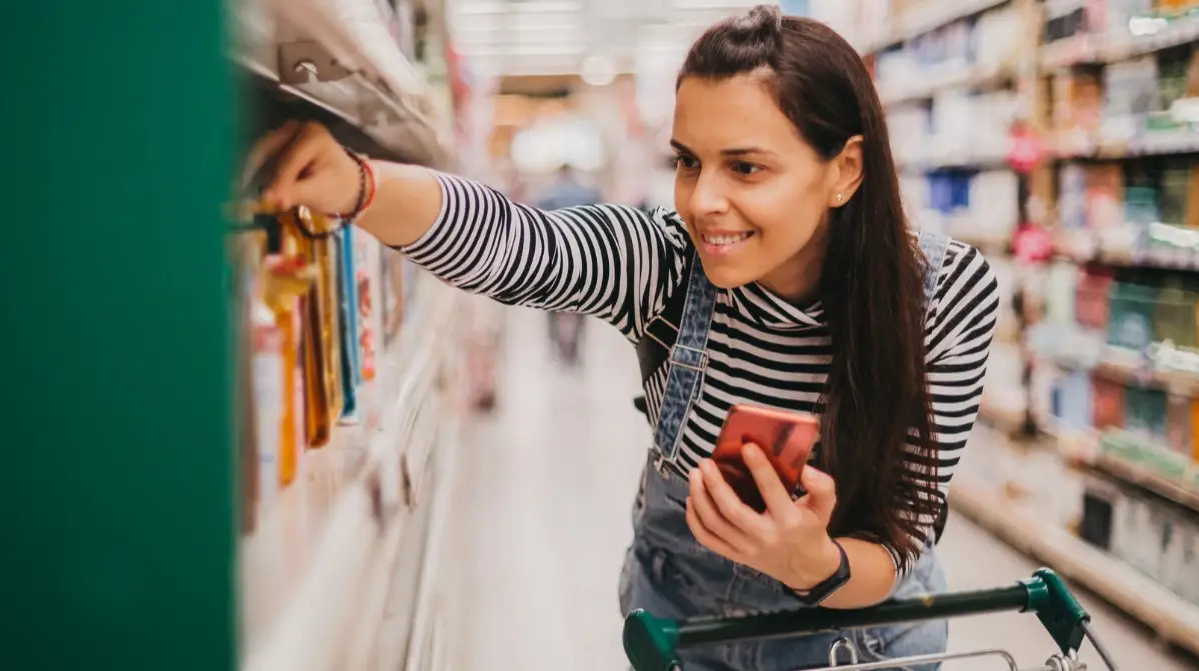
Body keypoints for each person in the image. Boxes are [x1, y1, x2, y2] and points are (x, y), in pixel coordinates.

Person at [246, 6, 998, 669]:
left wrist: (813, 561)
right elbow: (518, 243)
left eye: (746, 166)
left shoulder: (943, 297)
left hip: (855, 644)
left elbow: (903, 536)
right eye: (688, 162)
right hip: (684, 635)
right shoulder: (666, 262)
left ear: (846, 169)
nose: (704, 201)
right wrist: (358, 184)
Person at [533, 164, 605, 367]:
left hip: (552, 264)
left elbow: (536, 230)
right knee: (582, 306)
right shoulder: (588, 194)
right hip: (582, 262)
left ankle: (554, 347)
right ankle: (578, 349)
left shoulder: (546, 195)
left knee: (549, 305)